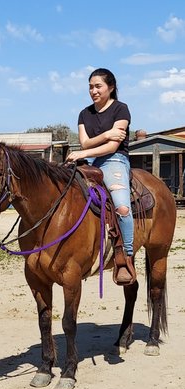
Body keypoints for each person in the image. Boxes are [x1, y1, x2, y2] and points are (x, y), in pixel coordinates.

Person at [67, 68, 135, 286]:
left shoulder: (120, 109)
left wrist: (84, 151)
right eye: (90, 87)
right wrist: (106, 134)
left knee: (122, 207)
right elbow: (86, 141)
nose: (93, 91)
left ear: (111, 87)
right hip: (92, 162)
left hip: (115, 160)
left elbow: (112, 146)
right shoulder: (84, 113)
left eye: (98, 86)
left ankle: (126, 256)